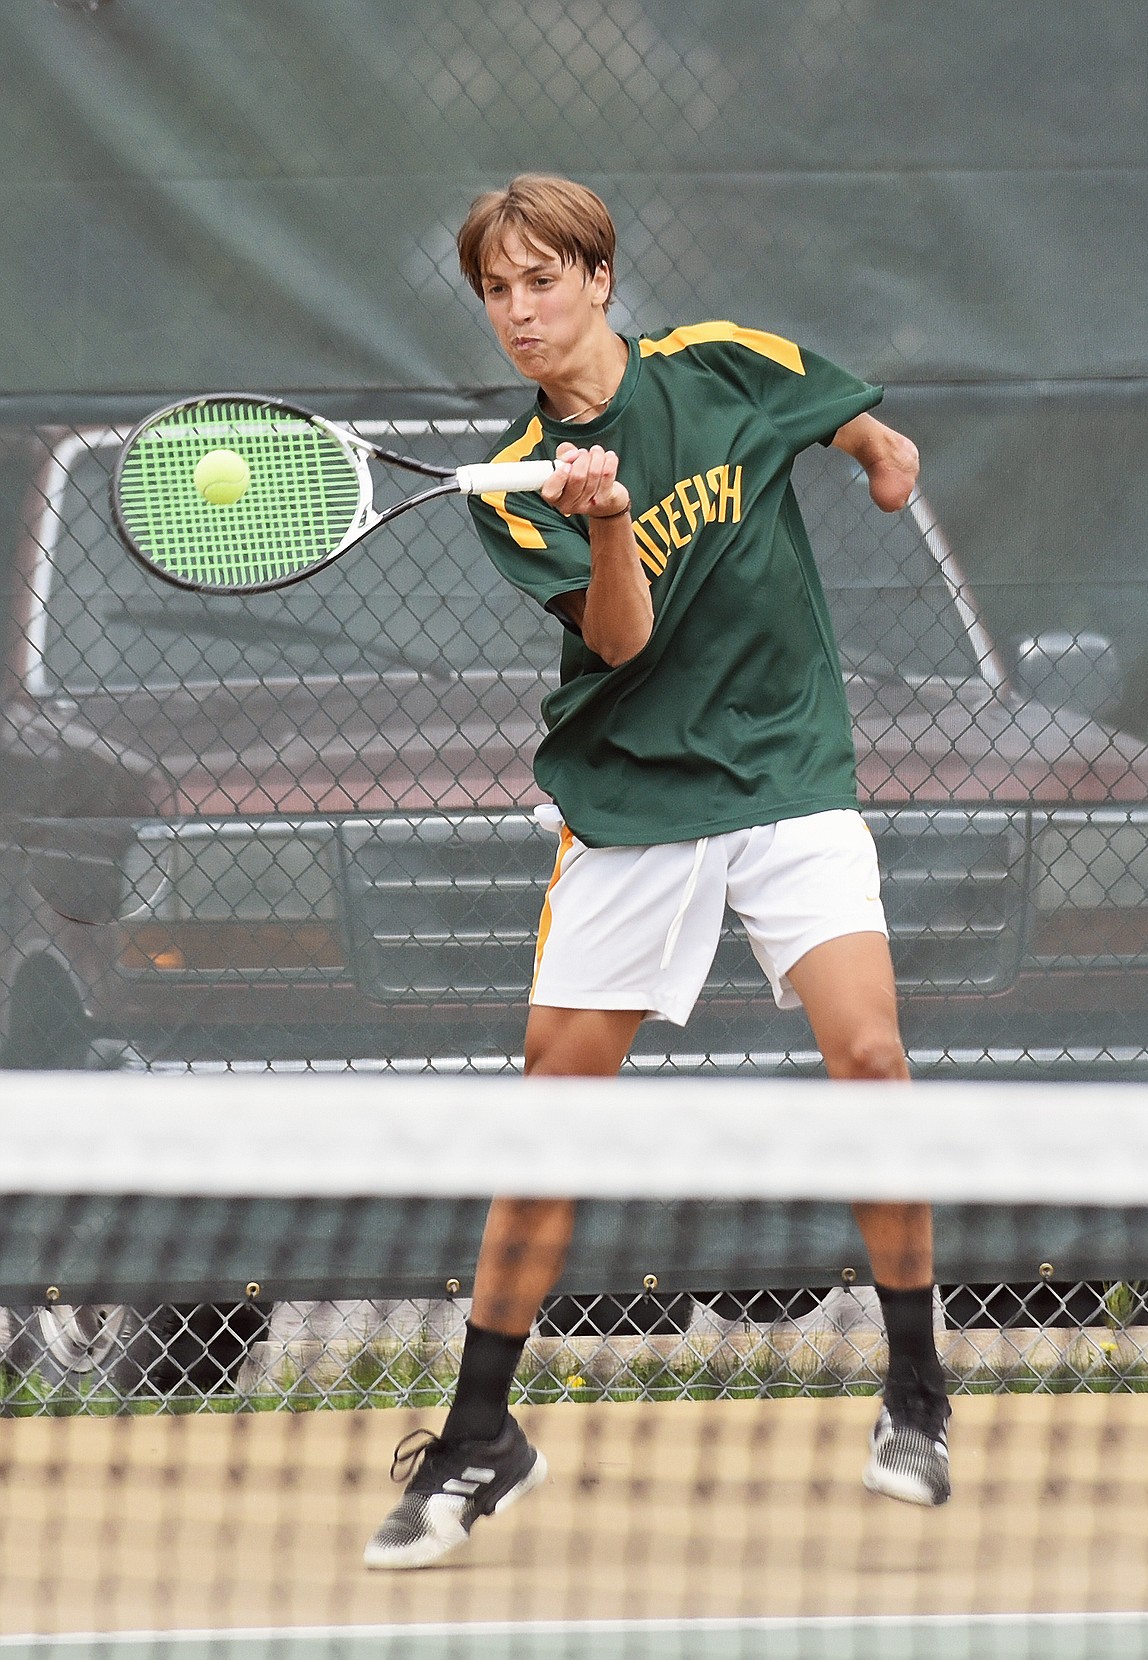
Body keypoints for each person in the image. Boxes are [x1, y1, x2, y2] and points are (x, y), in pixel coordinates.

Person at [364, 174, 951, 1571]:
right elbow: (620, 643)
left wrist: (878, 451)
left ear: (600, 277)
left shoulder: (724, 362)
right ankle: (478, 1440)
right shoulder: (513, 492)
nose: (520, 310)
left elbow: (844, 412)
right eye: (497, 290)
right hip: (631, 806)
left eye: (542, 279)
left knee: (870, 1058)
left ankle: (918, 1395)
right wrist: (611, 513)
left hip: (788, 777)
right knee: (550, 1123)